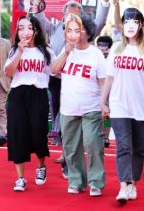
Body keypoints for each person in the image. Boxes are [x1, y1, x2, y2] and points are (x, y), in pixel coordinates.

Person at [29, 0, 111, 158]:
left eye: (76, 14)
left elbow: (101, 21)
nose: (72, 16)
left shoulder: (86, 32)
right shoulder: (55, 27)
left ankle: (68, 151)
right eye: (69, 12)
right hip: (57, 77)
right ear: (63, 13)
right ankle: (65, 147)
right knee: (58, 111)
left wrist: (105, 0)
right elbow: (40, 20)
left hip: (80, 80)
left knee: (74, 115)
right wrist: (35, 0)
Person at [100, 8, 144, 204]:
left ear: (141, 25)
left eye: (135, 21)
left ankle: (133, 183)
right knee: (124, 146)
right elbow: (109, 77)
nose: (131, 25)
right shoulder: (117, 48)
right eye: (127, 21)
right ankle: (124, 185)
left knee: (139, 149)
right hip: (120, 104)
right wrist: (103, 101)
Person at [50, 14, 106, 196]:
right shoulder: (67, 51)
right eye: (71, 30)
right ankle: (76, 181)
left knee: (92, 144)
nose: (75, 34)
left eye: (79, 29)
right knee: (71, 148)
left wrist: (104, 104)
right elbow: (53, 70)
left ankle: (96, 182)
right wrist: (66, 52)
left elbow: (103, 82)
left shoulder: (96, 54)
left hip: (91, 108)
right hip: (68, 108)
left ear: (88, 33)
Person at [4, 15, 56, 192]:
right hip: (18, 95)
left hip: (38, 94)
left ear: (36, 31)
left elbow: (56, 70)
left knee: (38, 133)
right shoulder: (13, 51)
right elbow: (9, 72)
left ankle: (41, 166)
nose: (25, 32)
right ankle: (20, 178)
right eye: (21, 28)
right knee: (17, 135)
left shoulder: (45, 51)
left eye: (29, 28)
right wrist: (19, 51)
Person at [96, 35, 114, 148]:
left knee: (107, 115)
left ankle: (106, 137)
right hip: (95, 89)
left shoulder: (112, 57)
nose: (102, 47)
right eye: (100, 45)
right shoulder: (95, 55)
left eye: (105, 45)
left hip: (109, 89)